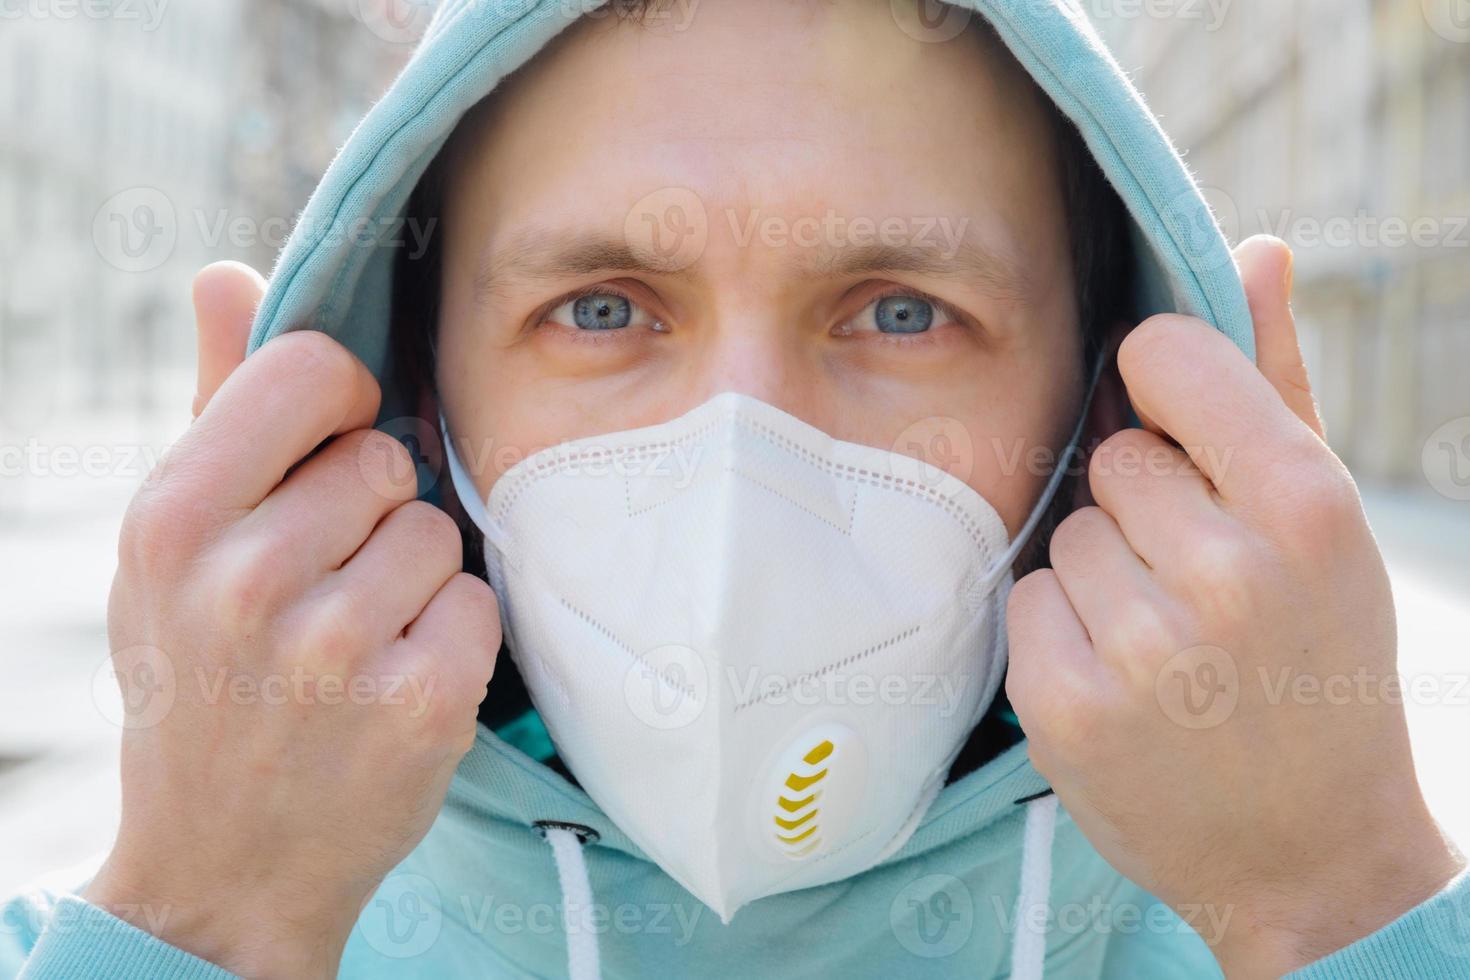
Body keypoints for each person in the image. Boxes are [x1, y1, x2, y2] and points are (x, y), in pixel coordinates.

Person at [5, 1, 1467, 977]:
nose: (740, 459)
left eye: (899, 311)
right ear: (415, 403)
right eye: (599, 308)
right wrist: (204, 918)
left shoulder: (1312, 912)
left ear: (1101, 415)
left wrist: (1332, 903)